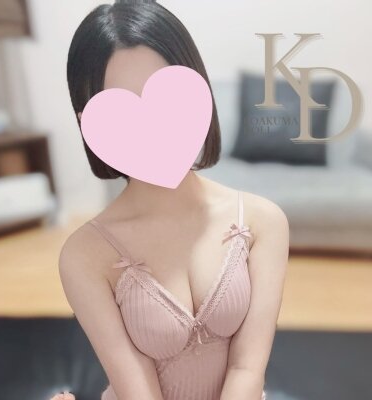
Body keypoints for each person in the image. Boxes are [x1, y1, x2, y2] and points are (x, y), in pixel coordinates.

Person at [53, 1, 289, 399]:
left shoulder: (263, 221)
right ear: (87, 122)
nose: (152, 125)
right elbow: (136, 388)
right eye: (122, 108)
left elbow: (248, 368)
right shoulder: (84, 255)